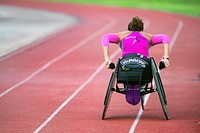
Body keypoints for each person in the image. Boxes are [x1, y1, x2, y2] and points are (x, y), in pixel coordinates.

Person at [101, 16, 170, 105]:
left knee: (123, 64)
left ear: (129, 29)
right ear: (142, 29)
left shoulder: (121, 36)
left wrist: (107, 58)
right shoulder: (148, 37)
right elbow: (165, 37)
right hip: (143, 70)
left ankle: (129, 83)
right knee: (148, 62)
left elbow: (105, 37)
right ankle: (142, 84)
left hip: (126, 69)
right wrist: (166, 57)